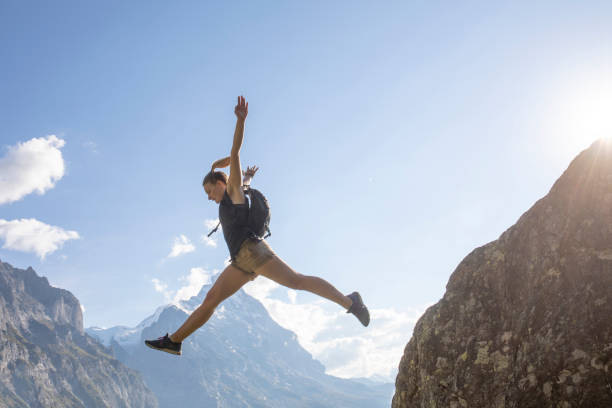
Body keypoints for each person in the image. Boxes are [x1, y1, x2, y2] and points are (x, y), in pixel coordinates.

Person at [145, 96, 369, 356]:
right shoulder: (237, 192)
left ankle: (350, 302)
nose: (208, 197)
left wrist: (240, 121)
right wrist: (237, 172)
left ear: (220, 183)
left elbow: (234, 153)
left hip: (253, 252)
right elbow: (236, 175)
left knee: (297, 281)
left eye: (208, 190)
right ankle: (174, 341)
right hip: (241, 261)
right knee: (211, 300)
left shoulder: (232, 192)